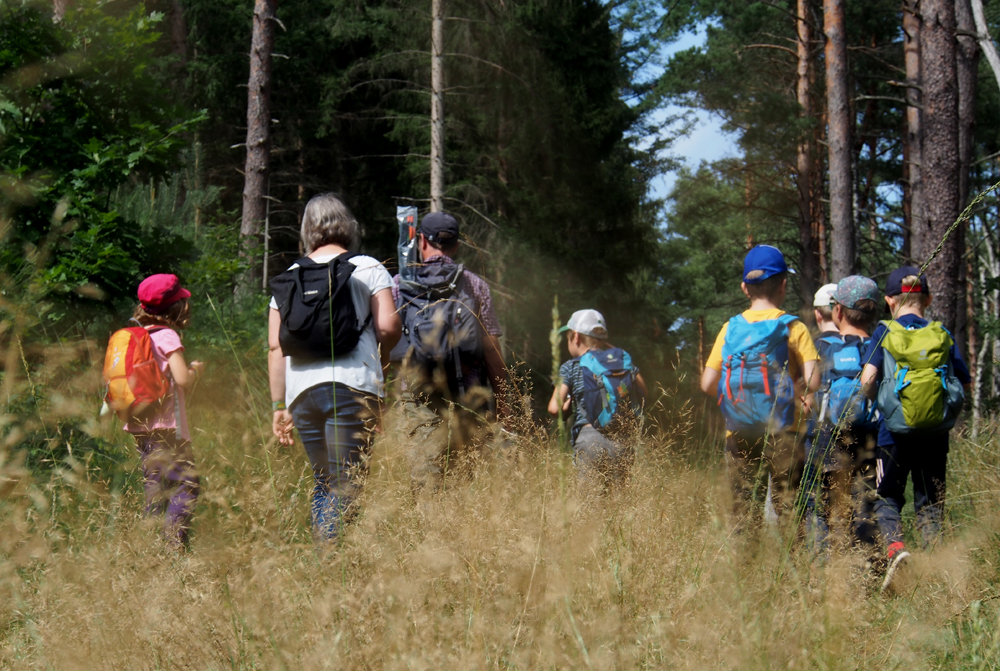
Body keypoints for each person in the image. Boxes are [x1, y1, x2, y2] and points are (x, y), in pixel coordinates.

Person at [268, 193, 401, 541]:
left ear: (307, 230)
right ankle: (332, 564)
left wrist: (278, 406)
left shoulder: (290, 278)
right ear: (347, 226)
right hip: (353, 386)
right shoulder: (369, 267)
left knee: (326, 481)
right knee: (347, 481)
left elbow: (274, 346)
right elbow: (388, 328)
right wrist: (382, 362)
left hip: (302, 393)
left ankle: (326, 566)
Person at [860, 266, 970, 592]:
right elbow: (963, 382)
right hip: (936, 433)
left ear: (890, 300)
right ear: (929, 299)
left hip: (891, 434)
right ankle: (936, 569)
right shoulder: (941, 333)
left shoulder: (884, 332)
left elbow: (867, 380)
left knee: (887, 496)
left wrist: (880, 402)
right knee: (930, 503)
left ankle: (896, 551)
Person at [700, 245, 819, 531]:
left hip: (739, 431)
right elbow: (813, 380)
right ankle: (794, 573)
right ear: (783, 285)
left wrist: (734, 402)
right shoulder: (793, 327)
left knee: (744, 512)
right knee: (789, 511)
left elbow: (706, 383)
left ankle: (746, 571)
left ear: (744, 288)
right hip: (785, 432)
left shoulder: (730, 328)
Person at [391, 211, 509, 491]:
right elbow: (491, 349)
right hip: (469, 397)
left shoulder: (400, 284)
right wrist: (504, 402)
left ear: (421, 241)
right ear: (456, 245)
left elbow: (386, 342)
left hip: (419, 399)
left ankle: (429, 529)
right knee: (466, 484)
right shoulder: (475, 285)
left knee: (425, 484)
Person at [124, 274, 204, 549]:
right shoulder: (167, 335)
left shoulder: (136, 336)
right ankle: (173, 546)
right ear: (174, 308)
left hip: (139, 426)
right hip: (167, 428)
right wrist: (195, 369)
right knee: (187, 485)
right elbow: (182, 378)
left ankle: (151, 548)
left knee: (155, 488)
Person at [803, 276, 881, 555]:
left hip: (825, 441)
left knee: (819, 507)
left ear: (838, 311)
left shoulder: (820, 346)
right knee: (864, 507)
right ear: (874, 313)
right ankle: (865, 574)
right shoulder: (877, 346)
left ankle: (821, 571)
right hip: (868, 441)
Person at [547, 309, 647, 483]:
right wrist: (616, 353)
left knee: (590, 503)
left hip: (589, 437)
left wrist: (571, 402)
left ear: (576, 337)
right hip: (622, 439)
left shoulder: (570, 366)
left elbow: (554, 409)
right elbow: (644, 391)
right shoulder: (621, 363)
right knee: (620, 502)